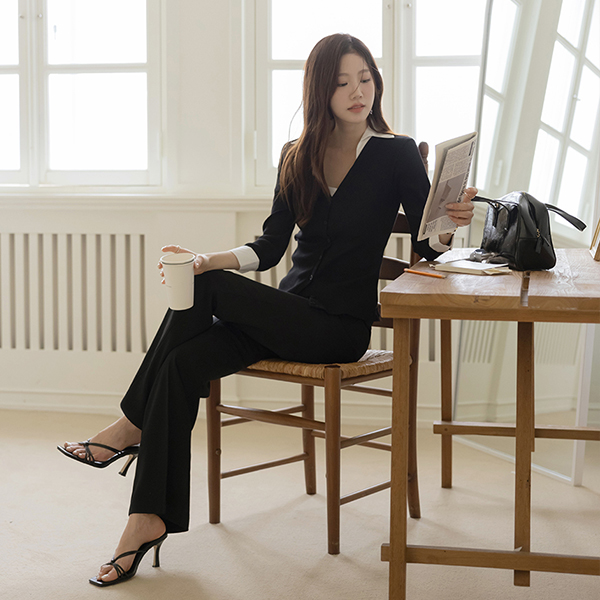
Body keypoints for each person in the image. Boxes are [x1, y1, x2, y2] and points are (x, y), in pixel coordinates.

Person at [59, 33, 476, 586]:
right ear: (320, 91)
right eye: (343, 82)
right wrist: (210, 258)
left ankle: (131, 423)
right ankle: (146, 520)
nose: (358, 92)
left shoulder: (396, 153)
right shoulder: (296, 156)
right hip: (288, 313)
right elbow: (271, 247)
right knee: (182, 363)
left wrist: (449, 223)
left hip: (338, 328)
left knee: (204, 288)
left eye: (365, 79)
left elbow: (427, 246)